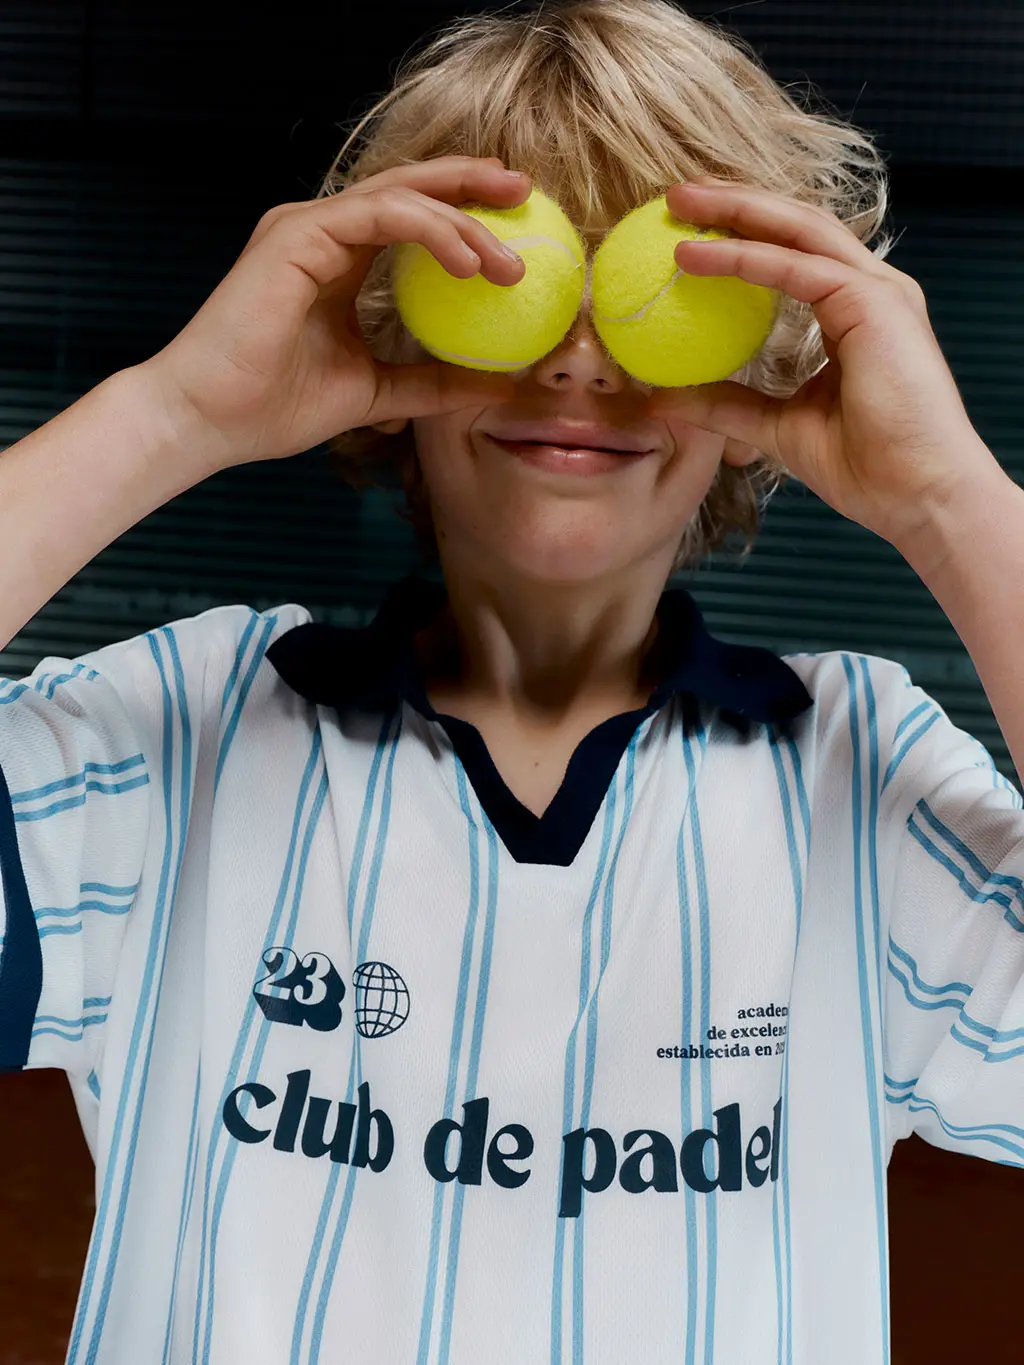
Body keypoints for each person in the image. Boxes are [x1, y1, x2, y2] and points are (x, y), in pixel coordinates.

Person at [0, 0, 1021, 1361]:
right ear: (396, 344)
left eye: (657, 298)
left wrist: (952, 499)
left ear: (764, 362)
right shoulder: (175, 732)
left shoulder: (865, 771)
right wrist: (170, 410)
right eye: (508, 281)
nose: (575, 355)